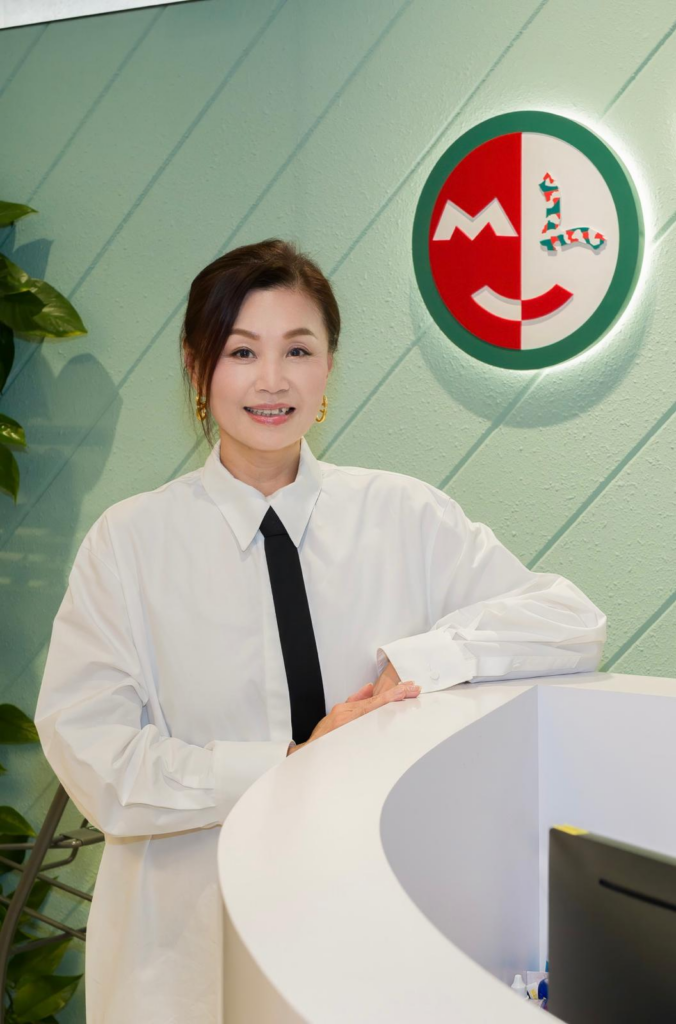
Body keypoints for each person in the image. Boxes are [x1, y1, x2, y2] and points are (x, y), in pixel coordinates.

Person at [34, 238, 607, 1023]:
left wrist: (417, 660)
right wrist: (288, 764)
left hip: (377, 925)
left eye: (298, 350)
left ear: (328, 367)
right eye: (242, 351)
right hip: (188, 953)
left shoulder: (405, 515)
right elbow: (97, 759)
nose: (272, 380)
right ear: (197, 368)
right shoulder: (128, 544)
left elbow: (571, 622)